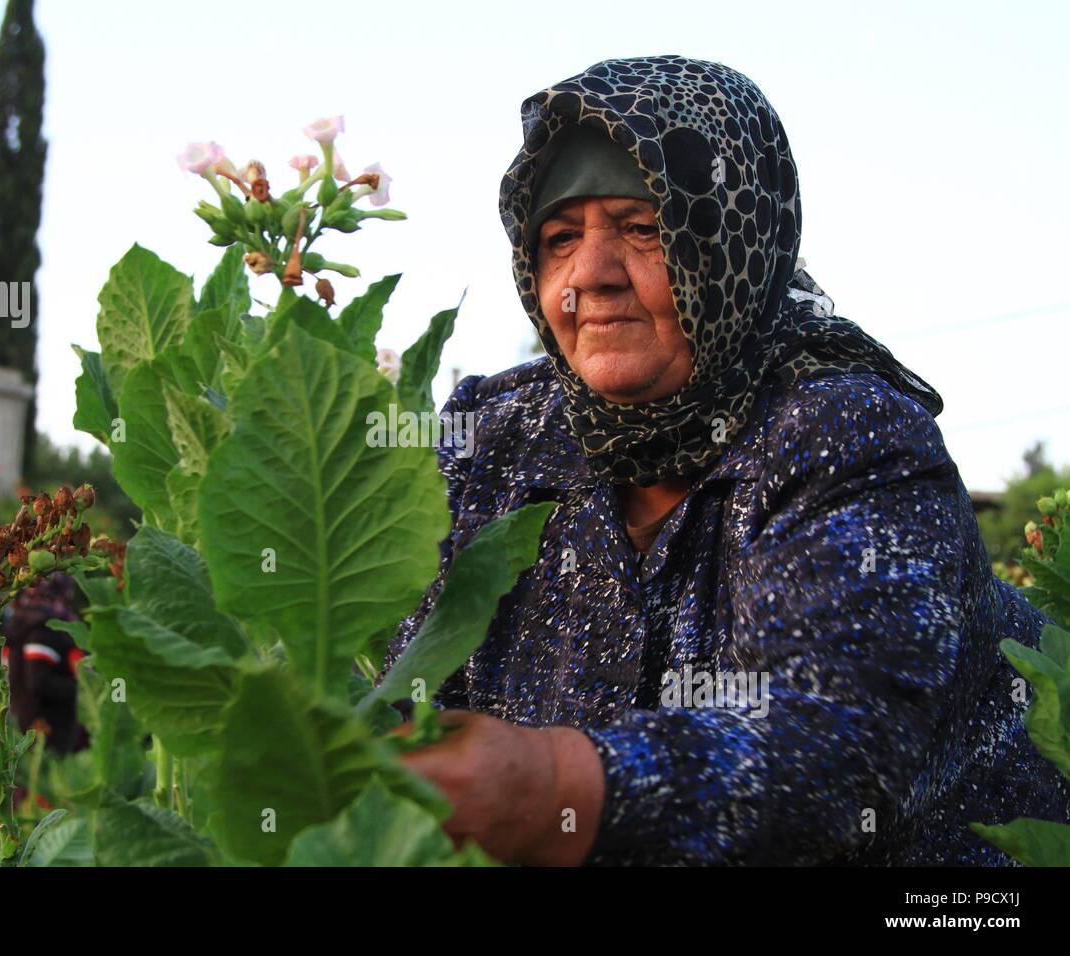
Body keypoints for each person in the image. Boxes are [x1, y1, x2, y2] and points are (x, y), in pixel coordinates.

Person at [381, 55, 1070, 866]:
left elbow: (834, 752)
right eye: (560, 239)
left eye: (643, 229)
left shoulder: (851, 435)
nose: (590, 278)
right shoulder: (490, 439)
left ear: (734, 240)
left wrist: (552, 785)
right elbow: (409, 699)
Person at [1, 572, 89, 756]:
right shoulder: (44, 629)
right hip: (48, 729)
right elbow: (38, 681)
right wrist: (83, 688)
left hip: (19, 724)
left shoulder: (19, 622)